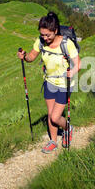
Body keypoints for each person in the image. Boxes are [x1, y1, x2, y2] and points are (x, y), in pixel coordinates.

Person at [17, 12, 81, 153]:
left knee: (55, 116)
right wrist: (24, 56)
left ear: (55, 31)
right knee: (50, 114)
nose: (45, 38)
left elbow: (78, 63)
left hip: (65, 84)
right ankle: (53, 141)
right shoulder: (40, 42)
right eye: (42, 35)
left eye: (48, 35)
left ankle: (67, 128)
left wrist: (73, 71)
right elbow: (31, 58)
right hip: (49, 82)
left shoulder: (66, 43)